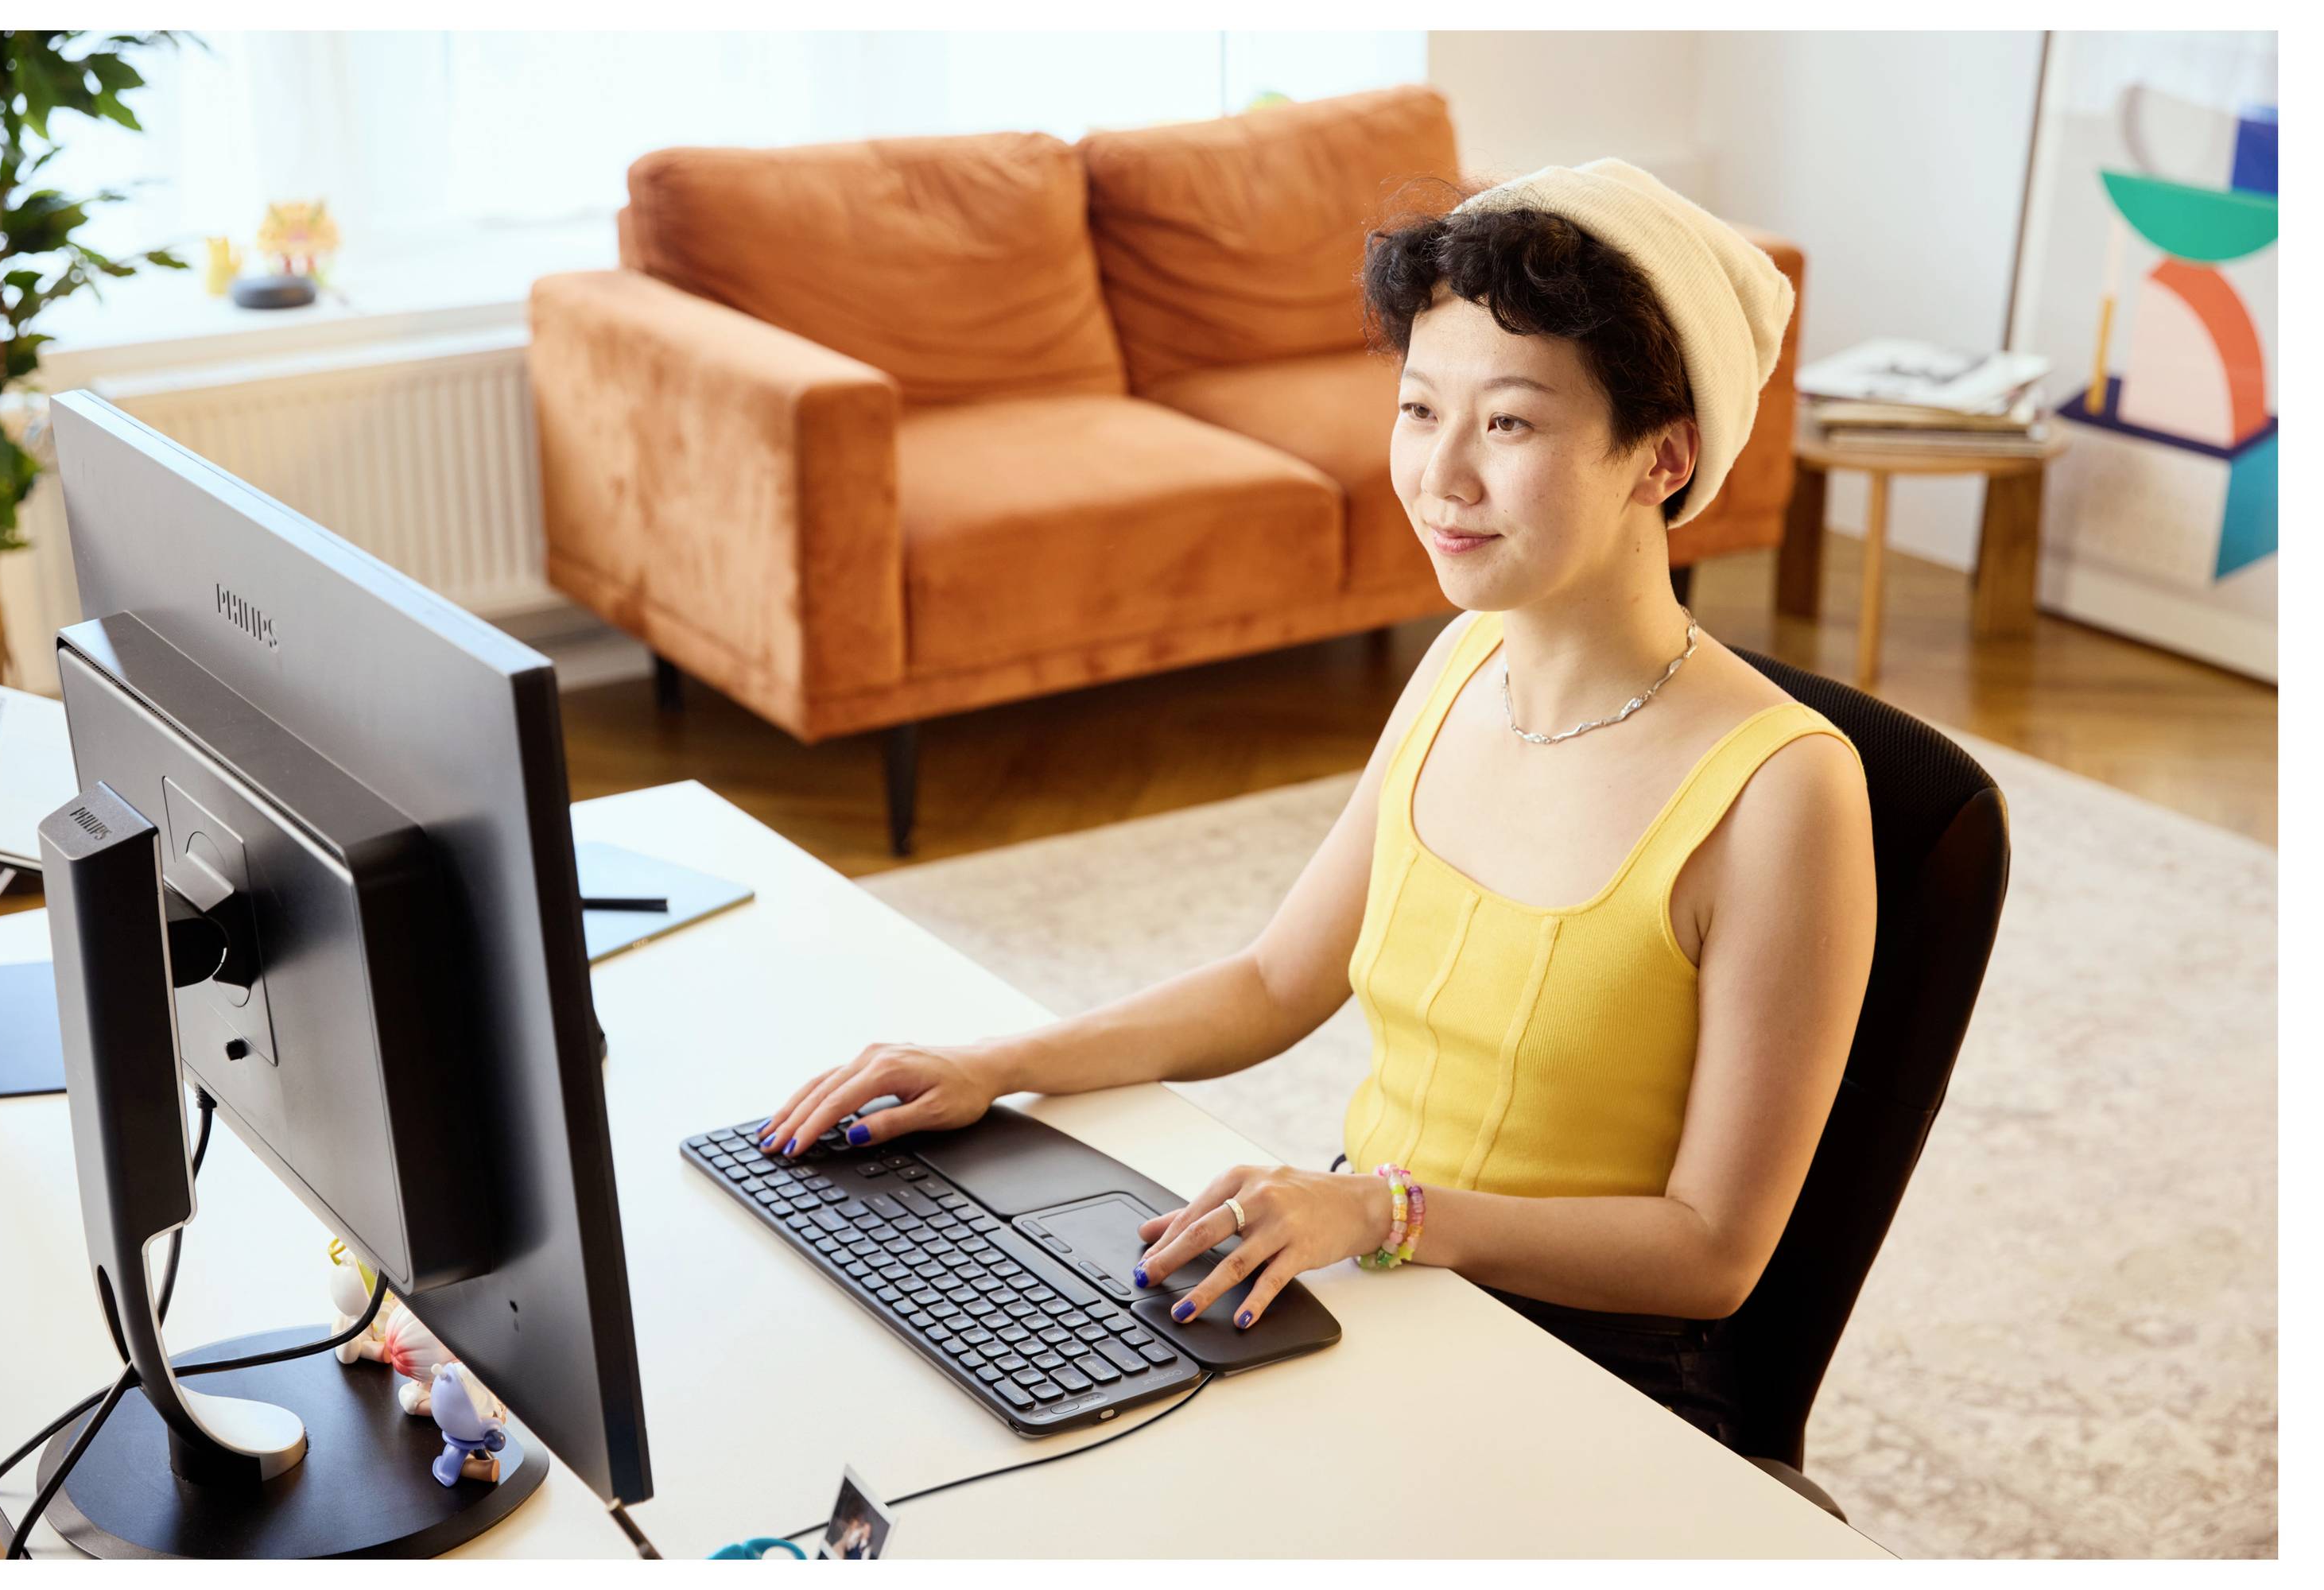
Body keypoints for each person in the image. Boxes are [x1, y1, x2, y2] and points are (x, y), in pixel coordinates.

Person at [757, 159, 1876, 1452]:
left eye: (1509, 425)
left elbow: (1711, 1255)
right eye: (1418, 410)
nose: (1440, 476)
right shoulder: (1466, 662)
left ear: (1662, 456)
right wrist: (994, 1068)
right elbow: (1277, 981)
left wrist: (1389, 1215)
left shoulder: (1785, 791)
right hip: (1378, 1284)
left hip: (1578, 1374)